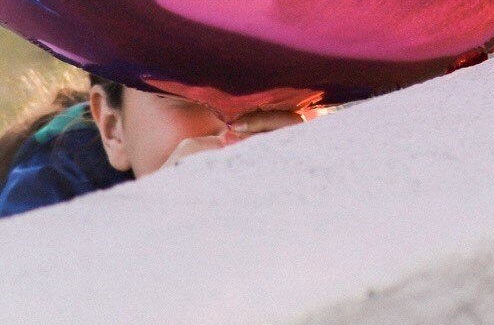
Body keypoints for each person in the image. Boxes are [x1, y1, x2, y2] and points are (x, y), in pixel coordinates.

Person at [0, 77, 309, 217]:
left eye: (270, 100)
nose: (229, 127)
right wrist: (156, 214)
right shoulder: (48, 192)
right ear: (112, 128)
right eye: (186, 101)